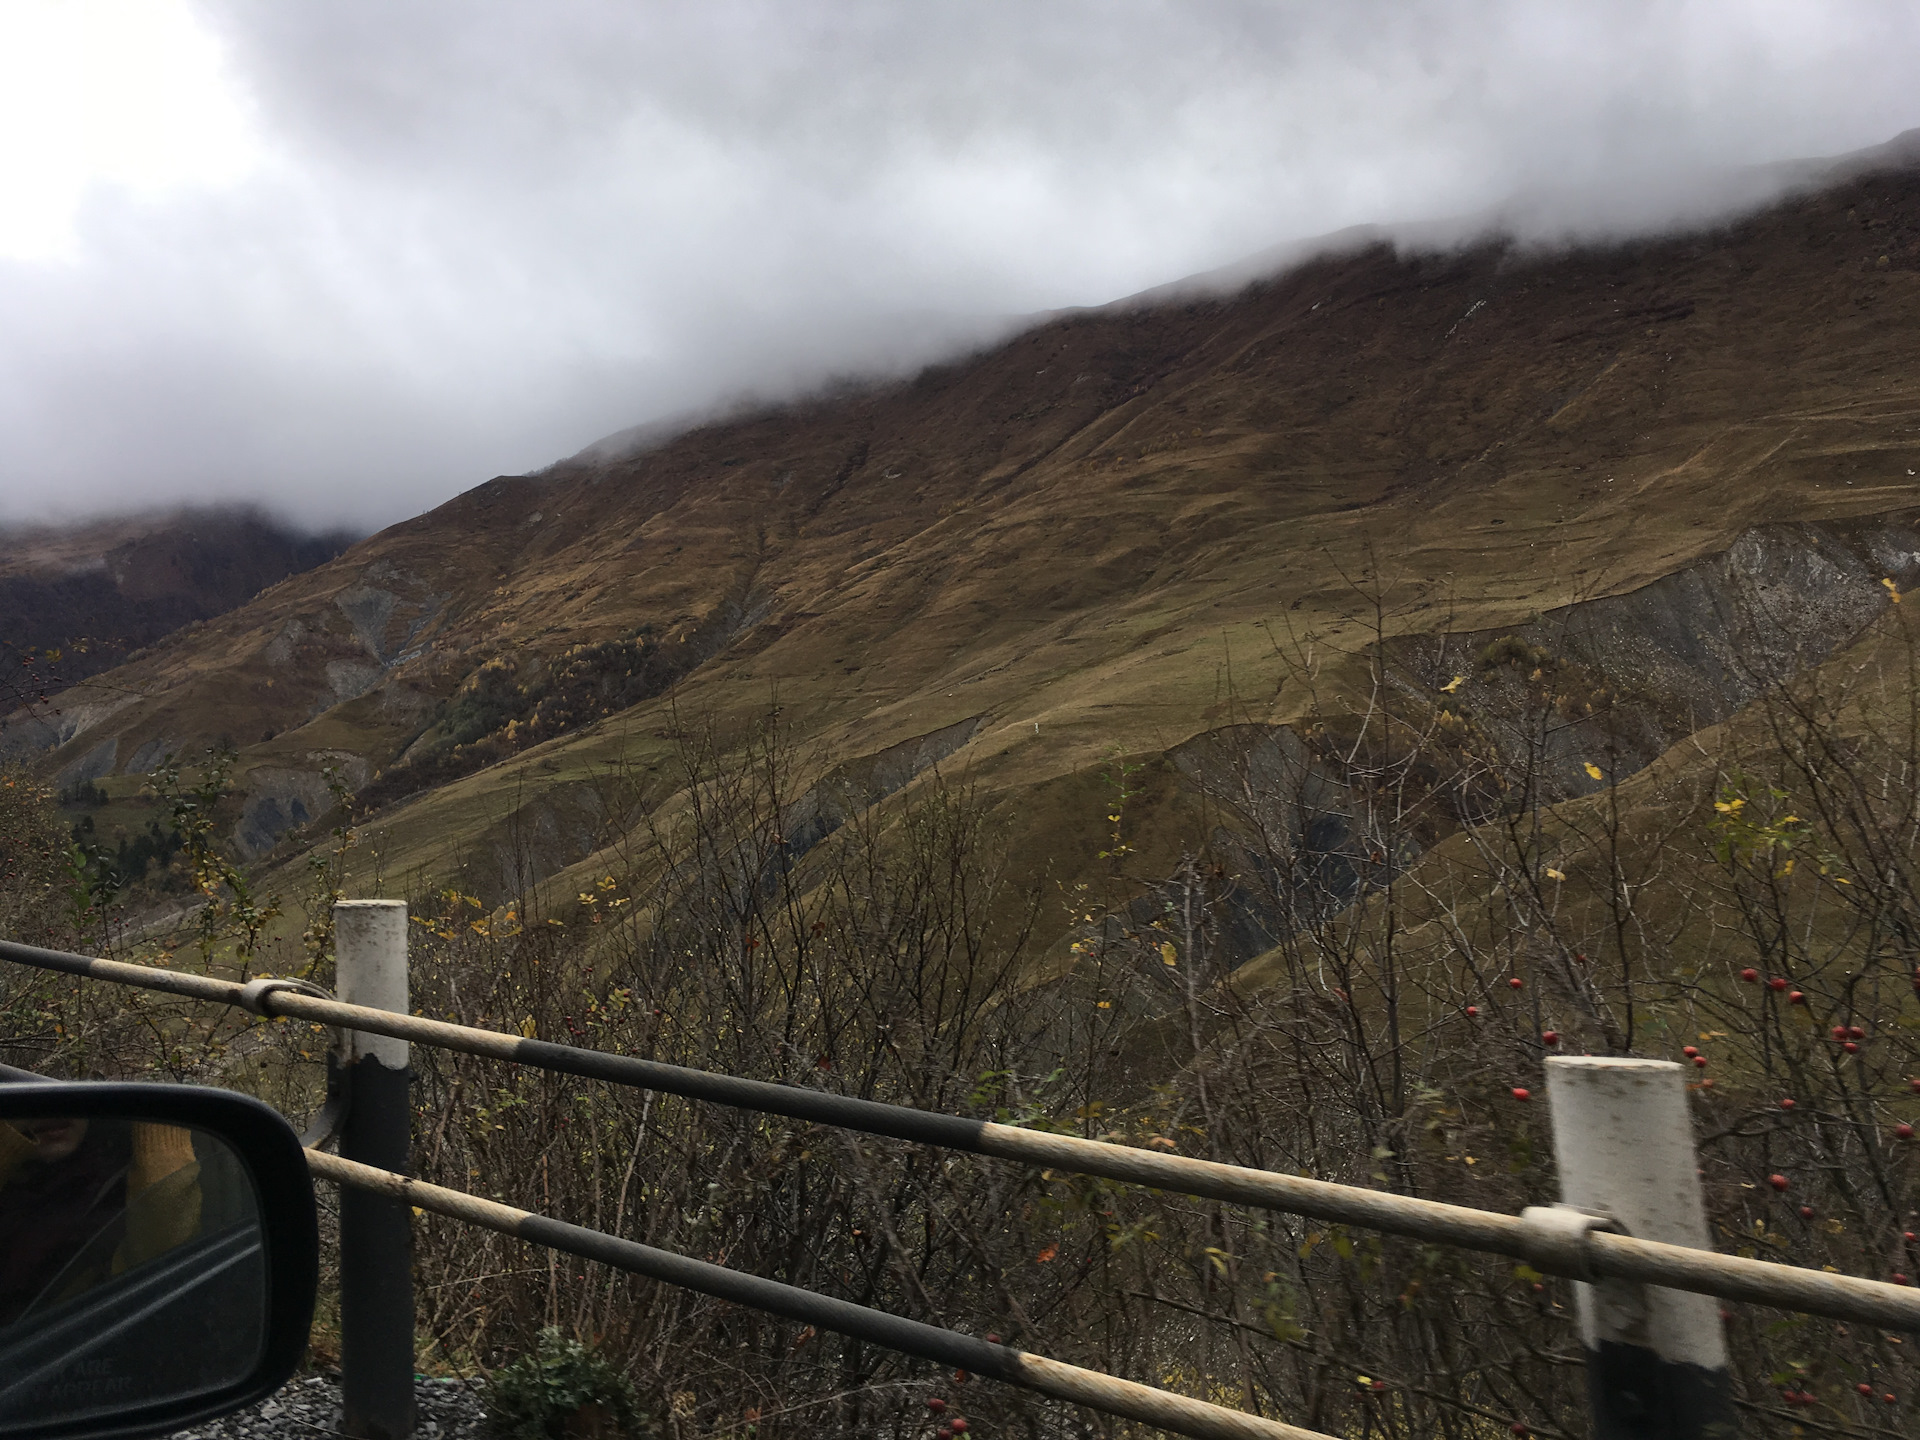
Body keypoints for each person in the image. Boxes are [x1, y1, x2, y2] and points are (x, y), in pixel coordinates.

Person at [0, 1115, 204, 1328]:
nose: (53, 1109)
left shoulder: (120, 1186)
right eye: (33, 1094)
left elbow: (161, 1264)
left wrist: (156, 1127)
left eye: (75, 1088)